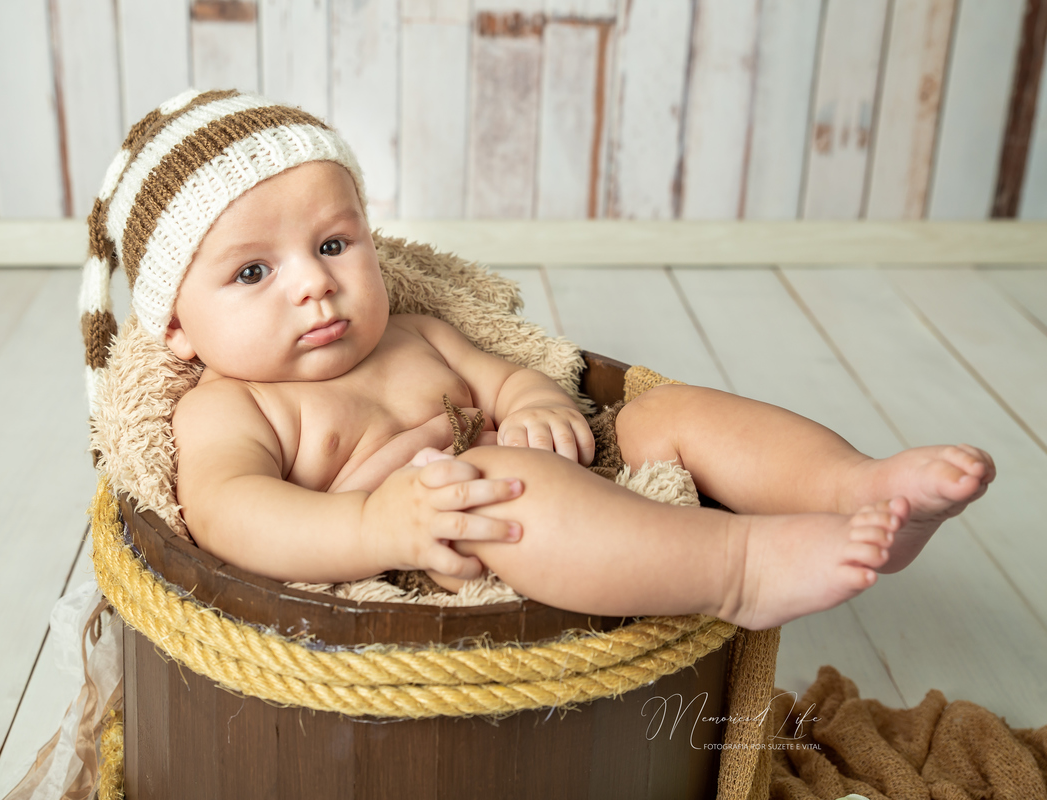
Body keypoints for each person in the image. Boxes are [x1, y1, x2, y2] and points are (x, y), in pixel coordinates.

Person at [80, 90, 995, 631]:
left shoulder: (413, 333)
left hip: (565, 478)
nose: (314, 286)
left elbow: (510, 375)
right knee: (494, 490)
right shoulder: (231, 407)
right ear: (177, 328)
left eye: (333, 245)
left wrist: (535, 405)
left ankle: (853, 485)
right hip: (440, 544)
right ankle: (740, 571)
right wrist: (377, 527)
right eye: (252, 272)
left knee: (666, 411)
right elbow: (233, 513)